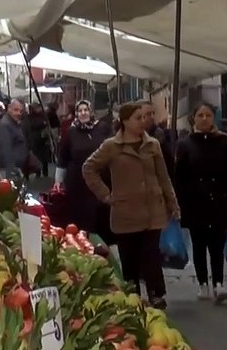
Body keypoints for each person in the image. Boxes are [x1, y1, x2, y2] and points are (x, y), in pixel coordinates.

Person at [83, 101, 180, 309]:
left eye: (144, 117)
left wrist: (173, 203)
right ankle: (132, 294)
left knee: (151, 253)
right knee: (130, 256)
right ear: (125, 121)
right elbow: (89, 168)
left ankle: (156, 294)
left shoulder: (152, 144)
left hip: (152, 209)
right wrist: (105, 194)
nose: (143, 121)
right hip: (125, 211)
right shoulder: (112, 146)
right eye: (138, 118)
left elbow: (163, 176)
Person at [175, 102, 227, 303]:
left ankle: (219, 283)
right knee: (199, 244)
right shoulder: (185, 144)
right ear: (194, 118)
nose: (204, 119)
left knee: (217, 245)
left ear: (214, 118)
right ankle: (203, 283)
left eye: (208, 115)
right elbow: (179, 176)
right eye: (201, 115)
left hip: (219, 200)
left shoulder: (226, 142)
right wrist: (176, 202)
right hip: (195, 202)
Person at [57, 100, 112, 237]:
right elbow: (63, 157)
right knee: (81, 215)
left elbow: (112, 149)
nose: (83, 113)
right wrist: (58, 180)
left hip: (101, 179)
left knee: (102, 213)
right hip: (78, 182)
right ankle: (82, 242)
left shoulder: (103, 128)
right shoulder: (71, 132)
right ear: (76, 113)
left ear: (91, 111)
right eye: (80, 111)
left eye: (86, 110)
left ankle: (103, 245)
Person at [0, 99, 30, 181]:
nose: (18, 113)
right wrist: (12, 171)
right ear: (9, 108)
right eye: (15, 110)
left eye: (20, 111)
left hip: (14, 168)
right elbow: (5, 150)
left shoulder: (13, 123)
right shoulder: (5, 125)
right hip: (8, 170)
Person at [140, 101, 176, 176]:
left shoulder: (164, 136)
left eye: (153, 113)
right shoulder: (131, 138)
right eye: (148, 114)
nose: (152, 117)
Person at [26, 102, 53, 177]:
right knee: (37, 156)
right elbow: (31, 125)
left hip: (43, 138)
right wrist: (43, 123)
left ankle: (44, 171)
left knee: (43, 156)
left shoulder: (43, 115)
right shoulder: (30, 117)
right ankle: (38, 171)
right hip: (35, 138)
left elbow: (47, 123)